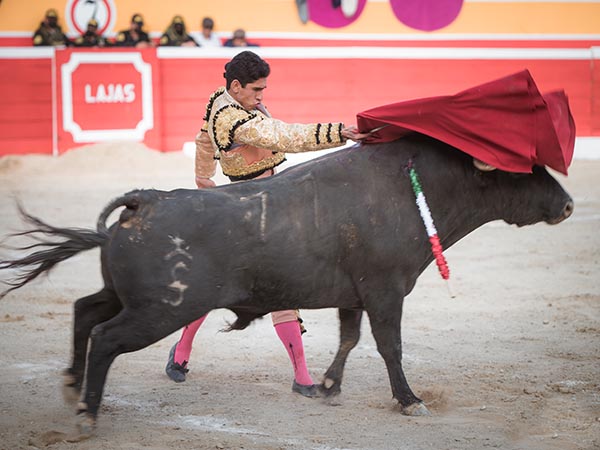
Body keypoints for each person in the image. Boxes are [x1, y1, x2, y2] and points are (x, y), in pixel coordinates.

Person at [165, 50, 368, 397]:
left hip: (270, 198)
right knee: (216, 283)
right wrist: (338, 133)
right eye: (257, 89)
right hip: (245, 203)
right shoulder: (232, 119)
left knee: (277, 282)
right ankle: (182, 351)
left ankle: (301, 375)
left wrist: (203, 177)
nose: (261, 96)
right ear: (236, 86)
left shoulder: (221, 98)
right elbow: (282, 137)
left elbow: (202, 138)